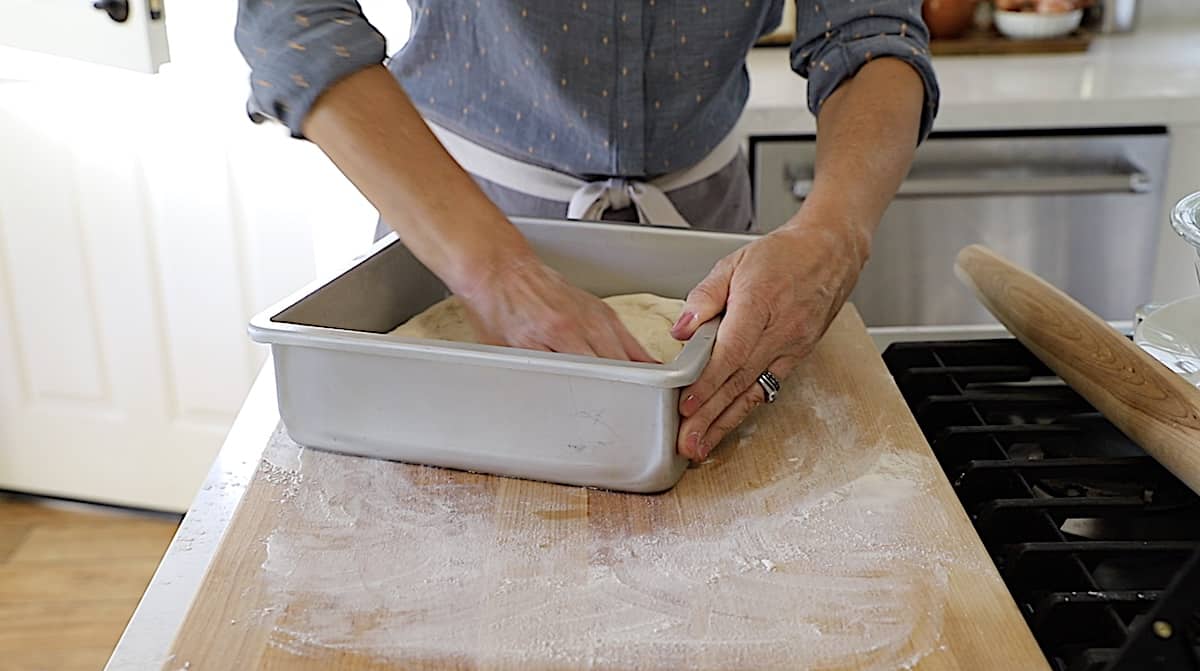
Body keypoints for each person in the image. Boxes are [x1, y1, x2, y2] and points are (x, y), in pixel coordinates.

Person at [235, 0, 939, 463]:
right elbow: (296, 24)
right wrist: (494, 271)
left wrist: (833, 236)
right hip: (453, 225)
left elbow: (869, 27)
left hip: (712, 245)